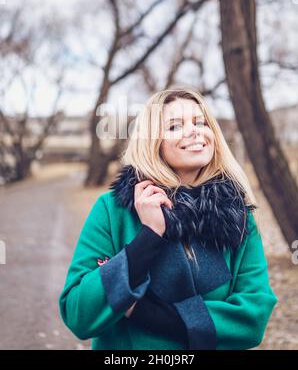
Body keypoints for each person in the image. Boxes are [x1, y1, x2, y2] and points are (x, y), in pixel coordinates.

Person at [58, 87, 278, 350]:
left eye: (200, 122)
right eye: (175, 126)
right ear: (152, 142)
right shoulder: (113, 210)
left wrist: (146, 315)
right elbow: (78, 314)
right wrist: (149, 237)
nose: (195, 131)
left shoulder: (237, 215)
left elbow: (253, 319)